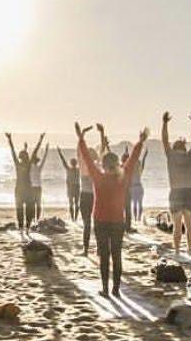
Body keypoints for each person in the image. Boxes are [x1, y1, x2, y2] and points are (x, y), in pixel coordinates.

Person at [76, 122, 146, 297]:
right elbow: (133, 159)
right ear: (116, 164)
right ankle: (116, 289)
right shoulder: (123, 177)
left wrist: (81, 138)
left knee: (104, 256)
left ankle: (106, 290)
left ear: (104, 165)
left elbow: (85, 157)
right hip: (117, 221)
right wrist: (140, 141)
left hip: (100, 221)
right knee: (117, 255)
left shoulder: (98, 176)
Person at [162, 111, 191, 254]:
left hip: (176, 192)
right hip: (189, 192)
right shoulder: (190, 156)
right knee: (189, 225)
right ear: (184, 147)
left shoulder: (170, 156)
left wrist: (164, 123)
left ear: (174, 147)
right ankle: (190, 249)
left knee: (177, 226)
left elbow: (164, 140)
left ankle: (178, 250)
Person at [6, 132, 44, 237]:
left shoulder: (19, 165)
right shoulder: (28, 164)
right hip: (27, 190)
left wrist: (10, 140)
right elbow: (33, 152)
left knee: (21, 210)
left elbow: (13, 153)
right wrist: (40, 140)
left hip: (20, 190)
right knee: (27, 210)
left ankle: (23, 228)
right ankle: (26, 228)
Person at [57, 147, 81, 222]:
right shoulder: (78, 170)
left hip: (71, 187)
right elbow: (64, 161)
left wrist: (60, 153)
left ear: (71, 163)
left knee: (72, 203)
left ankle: (73, 219)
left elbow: (63, 161)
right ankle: (75, 219)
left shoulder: (70, 169)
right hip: (76, 187)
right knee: (76, 203)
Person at [29, 142, 48, 223]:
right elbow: (43, 160)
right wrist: (46, 151)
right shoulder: (35, 167)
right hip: (36, 187)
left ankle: (35, 218)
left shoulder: (32, 167)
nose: (37, 162)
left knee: (35, 204)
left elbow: (43, 160)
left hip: (34, 187)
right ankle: (35, 218)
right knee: (37, 204)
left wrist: (46, 151)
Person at [129, 144, 148, 225]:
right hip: (138, 187)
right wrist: (144, 155)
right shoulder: (137, 171)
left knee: (136, 204)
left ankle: (138, 218)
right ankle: (138, 218)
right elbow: (142, 162)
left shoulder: (133, 171)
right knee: (138, 204)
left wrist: (144, 155)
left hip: (135, 188)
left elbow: (141, 162)